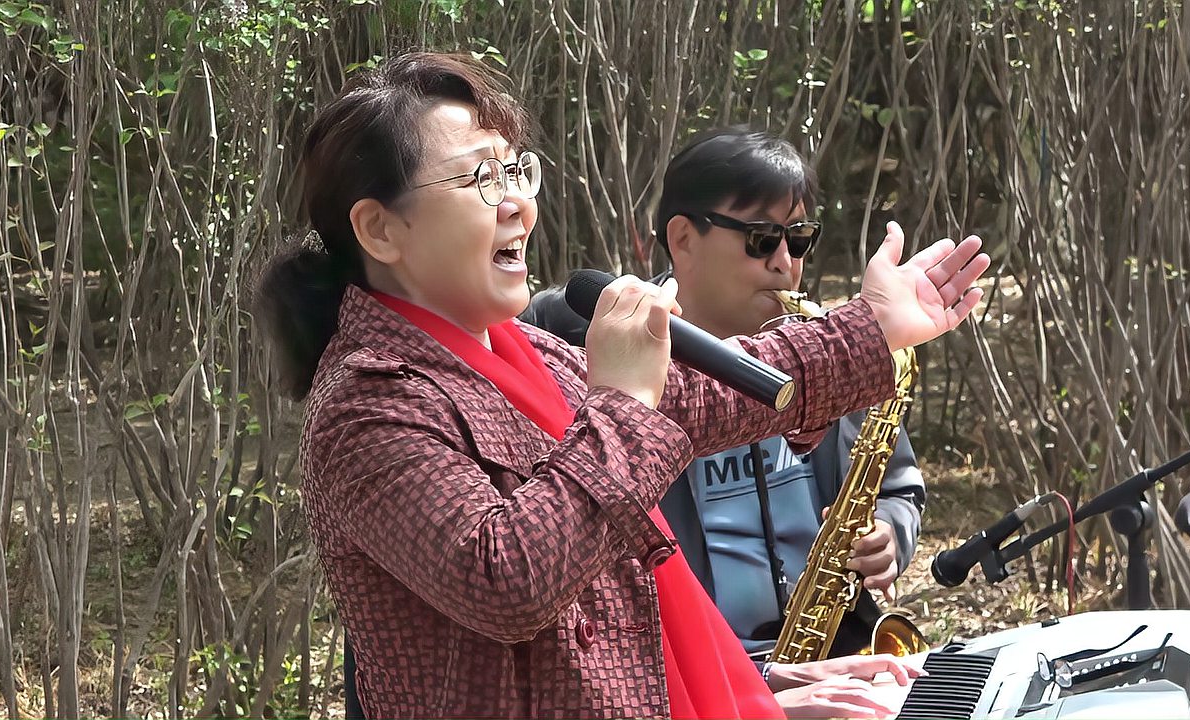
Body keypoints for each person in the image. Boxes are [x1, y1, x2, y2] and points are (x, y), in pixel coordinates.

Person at [256, 51, 988, 719]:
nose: (516, 202)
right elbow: (511, 581)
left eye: (517, 172)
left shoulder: (530, 351)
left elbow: (712, 395)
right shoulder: (368, 404)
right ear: (381, 231)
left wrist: (875, 325)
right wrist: (622, 406)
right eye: (482, 177)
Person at [524, 127, 926, 716]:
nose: (786, 264)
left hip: (833, 658)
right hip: (688, 683)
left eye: (800, 239)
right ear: (683, 238)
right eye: (762, 239)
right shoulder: (601, 363)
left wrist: (890, 531)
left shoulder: (818, 347)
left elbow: (898, 485)